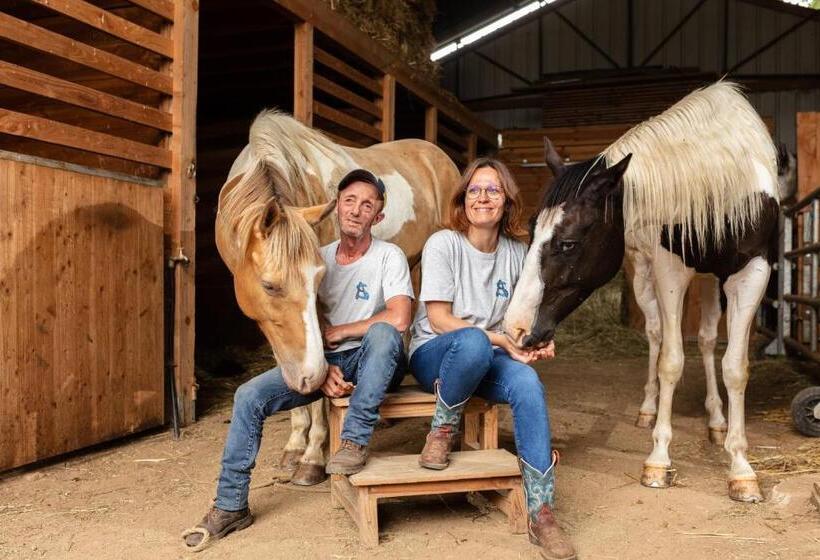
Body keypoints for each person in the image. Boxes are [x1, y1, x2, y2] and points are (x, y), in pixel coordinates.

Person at [183, 169, 413, 551]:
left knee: (385, 333)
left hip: (377, 361)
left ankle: (354, 441)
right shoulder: (311, 257)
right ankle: (230, 505)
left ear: (379, 216)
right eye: (349, 201)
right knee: (248, 397)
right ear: (337, 208)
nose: (356, 210)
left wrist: (339, 334)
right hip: (329, 362)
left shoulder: (389, 256)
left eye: (367, 204)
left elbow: (400, 317)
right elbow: (302, 315)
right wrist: (322, 367)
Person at [409, 158, 576, 560]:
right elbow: (438, 318)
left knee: (527, 384)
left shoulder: (518, 253)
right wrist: (502, 340)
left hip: (489, 352)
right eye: (475, 190)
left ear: (507, 202)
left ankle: (542, 512)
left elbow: (523, 316)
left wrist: (534, 342)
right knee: (472, 342)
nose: (483, 197)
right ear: (463, 199)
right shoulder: (443, 244)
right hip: (437, 353)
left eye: (493, 190)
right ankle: (442, 431)